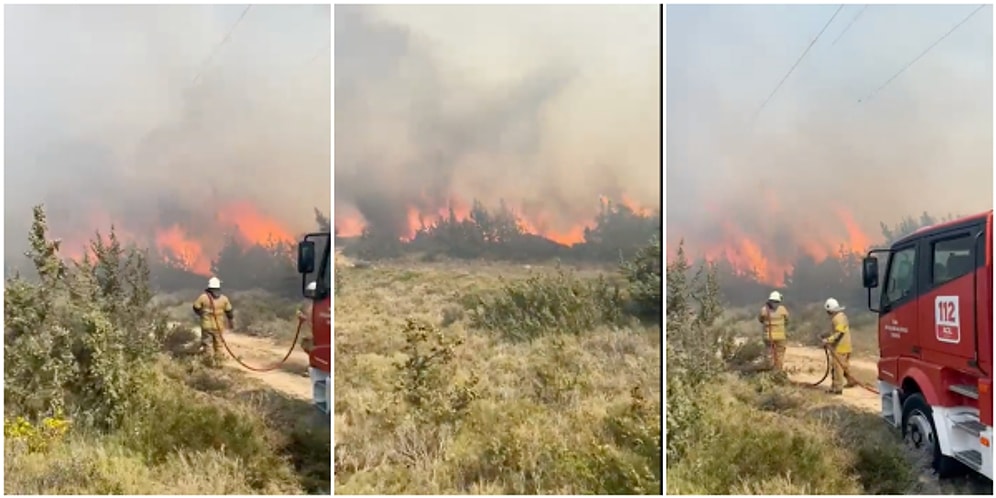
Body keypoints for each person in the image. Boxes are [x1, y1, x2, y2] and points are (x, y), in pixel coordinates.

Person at [192, 277, 234, 367]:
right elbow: (229, 311)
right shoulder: (224, 299)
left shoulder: (203, 297)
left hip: (206, 325)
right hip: (219, 326)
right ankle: (219, 363)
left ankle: (209, 363)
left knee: (207, 344)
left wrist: (201, 314)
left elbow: (195, 307)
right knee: (219, 345)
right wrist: (230, 322)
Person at [822, 297, 853, 395]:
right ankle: (851, 381)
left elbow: (839, 332)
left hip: (840, 347)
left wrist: (828, 340)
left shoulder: (837, 318)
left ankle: (837, 388)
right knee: (844, 366)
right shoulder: (842, 316)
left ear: (830, 310)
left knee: (837, 368)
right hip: (847, 346)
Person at [758, 290, 789, 371]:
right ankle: (777, 371)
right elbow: (787, 320)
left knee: (769, 353)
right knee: (779, 354)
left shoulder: (764, 310)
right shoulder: (783, 309)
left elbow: (760, 320)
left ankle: (769, 370)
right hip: (780, 337)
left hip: (768, 336)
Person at [298, 281, 316, 354]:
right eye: (311, 292)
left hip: (318, 330)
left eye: (314, 292)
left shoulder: (323, 302)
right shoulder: (306, 302)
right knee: (306, 344)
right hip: (309, 330)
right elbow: (299, 311)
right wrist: (300, 315)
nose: (312, 294)